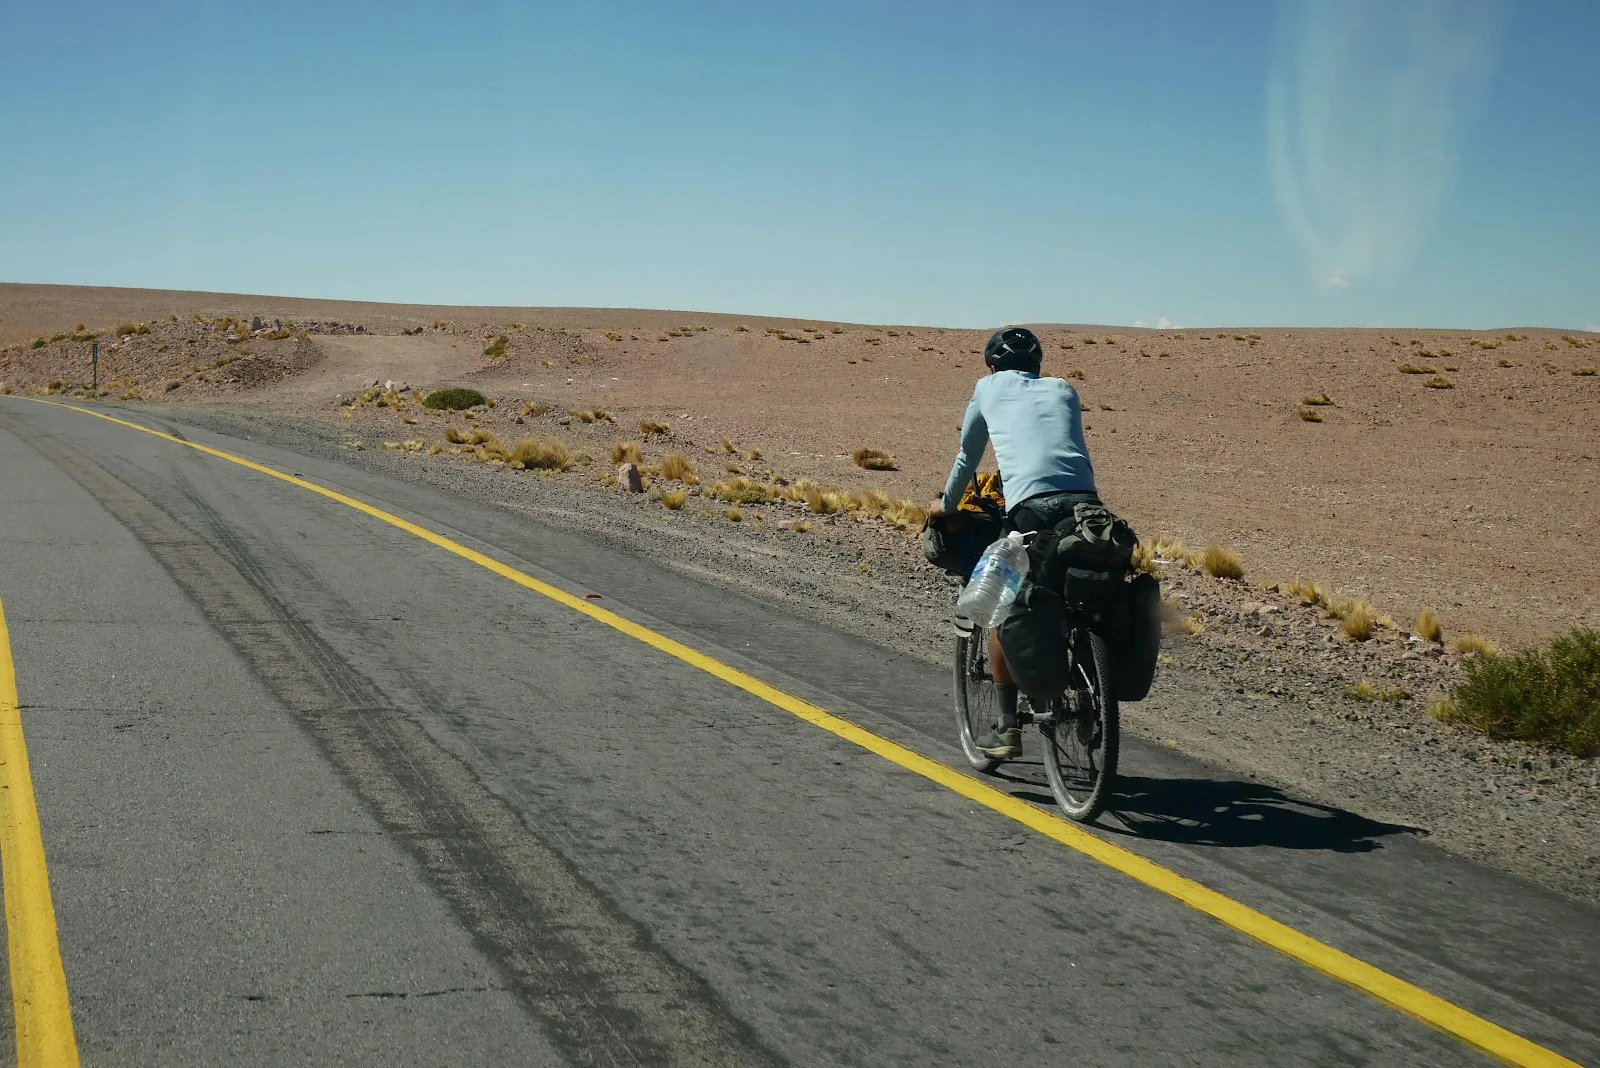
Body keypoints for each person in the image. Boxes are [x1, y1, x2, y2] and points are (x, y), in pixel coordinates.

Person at [927, 326, 1099, 759]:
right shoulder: (1064, 388)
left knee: (1001, 605)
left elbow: (968, 456)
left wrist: (945, 506)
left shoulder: (987, 388)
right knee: (1079, 593)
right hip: (1087, 508)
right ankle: (1090, 688)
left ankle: (1007, 729)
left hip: (1031, 511)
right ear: (1038, 365)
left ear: (991, 366)